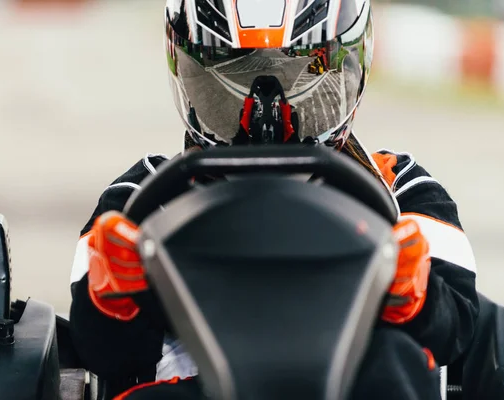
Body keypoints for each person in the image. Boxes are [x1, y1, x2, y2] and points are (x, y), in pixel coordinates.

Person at [69, 0, 479, 398]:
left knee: (395, 358)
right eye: (238, 75)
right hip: (197, 384)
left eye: (294, 75)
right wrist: (115, 297)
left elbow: (458, 333)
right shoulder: (139, 199)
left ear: (348, 65)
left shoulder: (401, 188)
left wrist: (418, 294)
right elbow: (103, 355)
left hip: (350, 383)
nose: (267, 114)